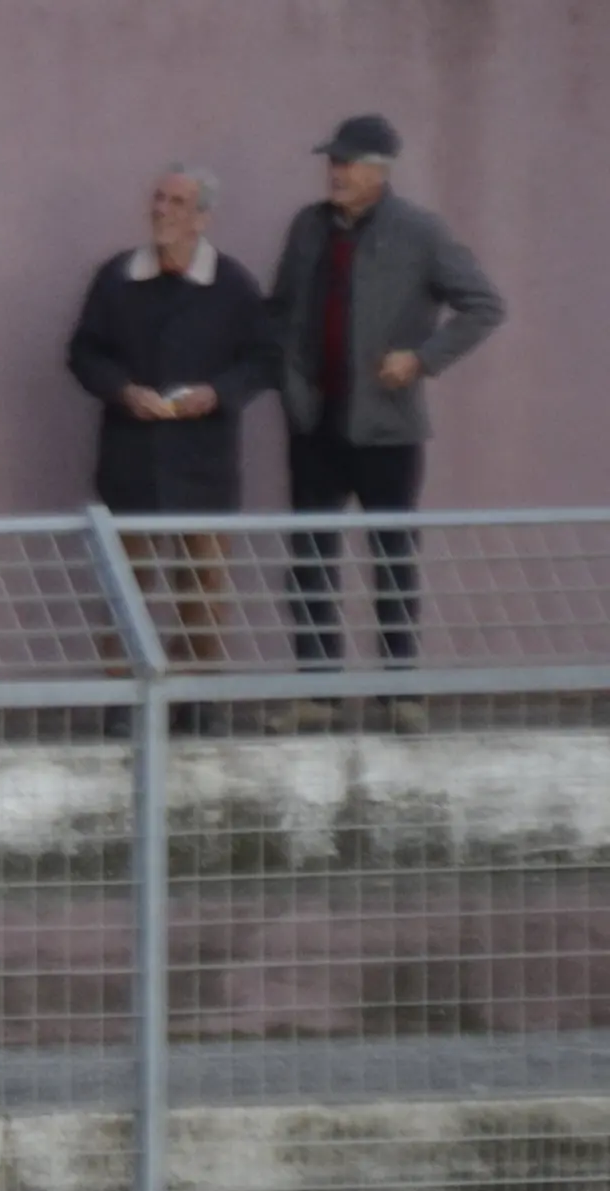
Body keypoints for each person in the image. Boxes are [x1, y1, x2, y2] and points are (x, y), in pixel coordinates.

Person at [266, 114, 509, 735]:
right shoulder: (307, 227)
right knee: (311, 557)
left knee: (392, 555)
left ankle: (400, 692)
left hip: (387, 428)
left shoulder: (419, 232)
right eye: (332, 162)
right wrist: (290, 388)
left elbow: (483, 305)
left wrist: (422, 360)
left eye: (347, 163)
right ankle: (316, 691)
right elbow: (284, 311)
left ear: (380, 171)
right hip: (316, 420)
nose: (335, 173)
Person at [66, 166, 276, 739]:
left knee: (202, 585)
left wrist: (216, 394)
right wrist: (122, 391)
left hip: (203, 459)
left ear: (203, 217)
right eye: (158, 198)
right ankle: (121, 699)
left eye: (178, 202)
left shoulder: (231, 284)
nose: (162, 210)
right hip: (131, 454)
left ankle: (198, 700)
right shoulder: (117, 277)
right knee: (124, 584)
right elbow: (84, 352)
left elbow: (262, 362)